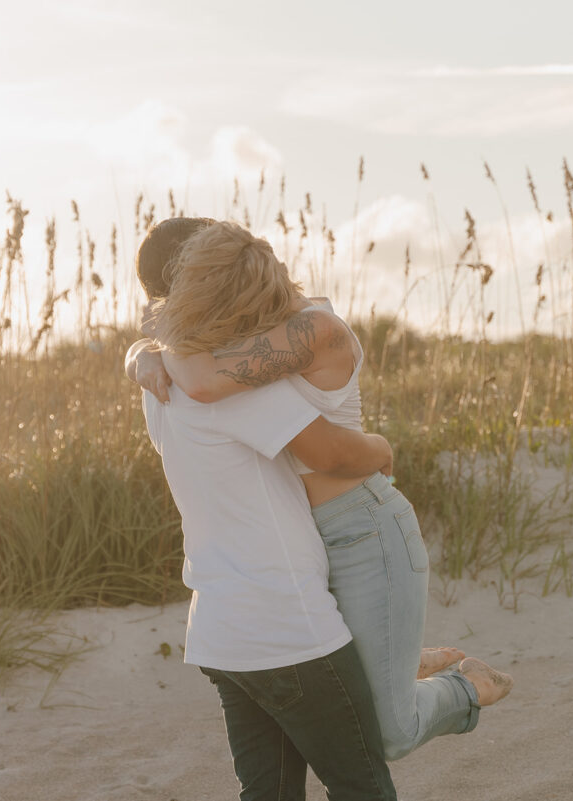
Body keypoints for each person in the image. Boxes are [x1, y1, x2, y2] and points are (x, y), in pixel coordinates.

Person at [131, 218, 513, 765]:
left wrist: (154, 351)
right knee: (341, 698)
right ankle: (395, 660)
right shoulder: (242, 338)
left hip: (362, 529)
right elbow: (197, 365)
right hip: (304, 541)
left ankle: (469, 686)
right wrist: (141, 352)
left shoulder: (315, 329)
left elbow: (202, 383)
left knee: (387, 735)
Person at [125, 218, 399, 800]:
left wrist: (140, 351)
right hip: (285, 621)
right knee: (362, 786)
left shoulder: (159, 383)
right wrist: (382, 449)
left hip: (220, 631)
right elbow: (329, 451)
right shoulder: (235, 386)